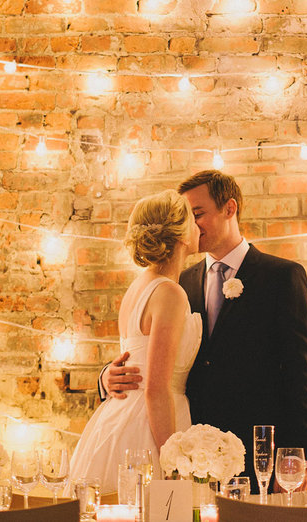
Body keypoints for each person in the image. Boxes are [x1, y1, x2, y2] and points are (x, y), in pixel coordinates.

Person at [102, 170, 307, 481]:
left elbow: (302, 374)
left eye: (198, 214)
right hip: (189, 444)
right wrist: (107, 376)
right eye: (186, 216)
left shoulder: (281, 277)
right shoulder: (179, 283)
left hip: (257, 450)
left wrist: (301, 459)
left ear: (229, 209)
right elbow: (151, 356)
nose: (191, 224)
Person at [70, 190, 203, 488]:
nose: (199, 227)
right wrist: (172, 463)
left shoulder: (138, 288)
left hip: (120, 415)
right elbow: (156, 389)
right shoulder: (169, 293)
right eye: (193, 219)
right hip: (151, 424)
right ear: (181, 235)